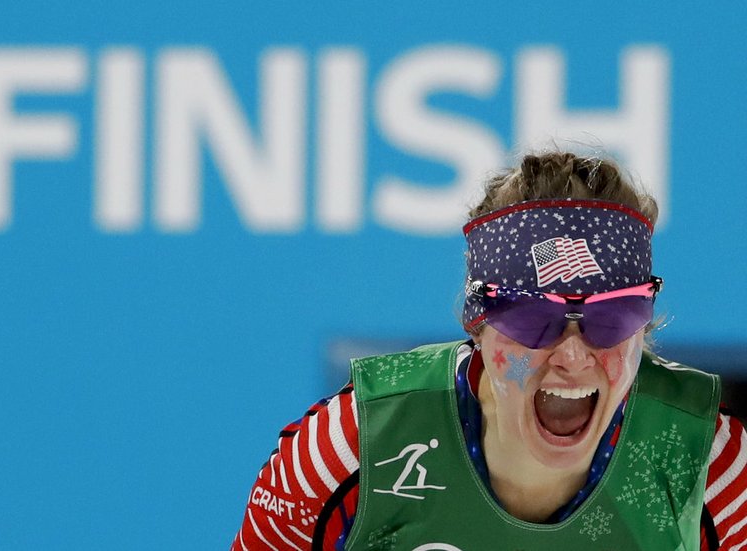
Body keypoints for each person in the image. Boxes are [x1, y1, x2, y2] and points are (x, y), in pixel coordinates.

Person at [231, 152, 747, 550]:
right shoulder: (351, 449)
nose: (572, 355)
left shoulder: (706, 461)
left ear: (644, 325)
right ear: (479, 324)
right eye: (533, 319)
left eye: (611, 317)